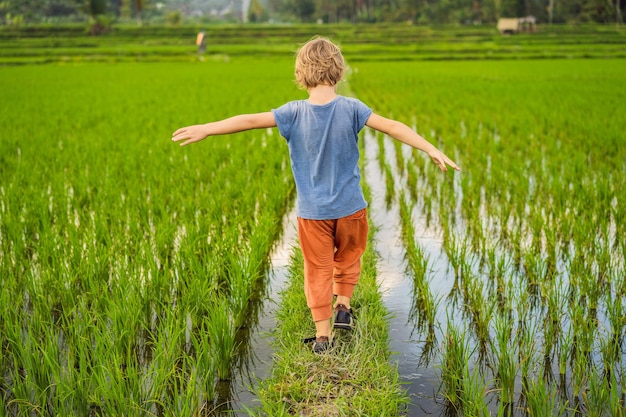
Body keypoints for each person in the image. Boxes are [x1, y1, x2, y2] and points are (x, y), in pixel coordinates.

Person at [172, 36, 460, 353]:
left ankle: (323, 337)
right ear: (339, 71)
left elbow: (250, 120)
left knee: (317, 270)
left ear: (300, 74)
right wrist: (431, 148)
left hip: (313, 213)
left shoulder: (292, 112)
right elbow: (392, 126)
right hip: (352, 208)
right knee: (349, 259)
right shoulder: (353, 108)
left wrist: (207, 128)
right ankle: (343, 306)